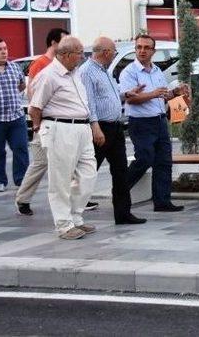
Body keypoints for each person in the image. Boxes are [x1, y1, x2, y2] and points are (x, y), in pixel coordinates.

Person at [28, 36, 97, 240]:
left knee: (88, 175)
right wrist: (40, 128)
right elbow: (35, 107)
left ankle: (75, 218)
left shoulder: (75, 73)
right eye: (79, 53)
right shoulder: (48, 75)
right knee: (60, 179)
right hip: (60, 127)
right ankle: (64, 224)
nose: (82, 57)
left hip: (81, 128)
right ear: (66, 55)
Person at [80, 37, 146, 224]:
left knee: (120, 173)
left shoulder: (105, 71)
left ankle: (123, 213)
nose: (115, 54)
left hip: (115, 127)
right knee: (88, 171)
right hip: (100, 128)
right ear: (106, 52)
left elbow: (109, 96)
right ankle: (73, 212)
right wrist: (95, 126)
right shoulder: (87, 72)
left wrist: (126, 95)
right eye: (114, 52)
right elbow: (89, 102)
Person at [120, 34, 189, 212]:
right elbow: (130, 99)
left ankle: (162, 201)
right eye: (139, 47)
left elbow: (162, 95)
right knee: (144, 159)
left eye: (146, 48)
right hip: (141, 123)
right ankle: (119, 190)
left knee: (164, 162)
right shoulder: (129, 72)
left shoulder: (157, 70)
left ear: (153, 51)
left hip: (159, 121)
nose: (142, 51)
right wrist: (153, 94)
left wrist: (175, 92)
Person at [15, 28, 78, 215]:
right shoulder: (40, 63)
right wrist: (38, 121)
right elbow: (32, 93)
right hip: (44, 123)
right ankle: (23, 198)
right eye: (65, 41)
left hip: (62, 124)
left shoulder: (64, 65)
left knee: (70, 160)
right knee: (41, 162)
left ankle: (77, 197)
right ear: (53, 43)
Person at [0, 38, 29, 193]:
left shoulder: (14, 68)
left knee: (21, 148)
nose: (4, 52)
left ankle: (21, 180)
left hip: (16, 117)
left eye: (5, 48)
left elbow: (21, 85)